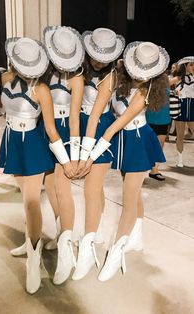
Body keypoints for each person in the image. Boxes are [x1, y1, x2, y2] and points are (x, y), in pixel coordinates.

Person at [79, 41, 169, 281]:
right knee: (134, 193)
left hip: (138, 140)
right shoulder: (121, 80)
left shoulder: (146, 92)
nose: (139, 75)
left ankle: (117, 251)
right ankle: (136, 237)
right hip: (125, 141)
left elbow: (114, 126)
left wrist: (92, 153)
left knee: (128, 196)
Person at [0, 37, 74, 294]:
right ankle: (32, 239)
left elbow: (51, 129)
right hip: (11, 141)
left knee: (31, 200)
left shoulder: (41, 89)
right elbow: (3, 105)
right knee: (25, 198)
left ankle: (34, 260)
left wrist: (67, 161)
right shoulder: (6, 78)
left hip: (30, 143)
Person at [9, 26, 85, 285]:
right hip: (39, 132)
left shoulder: (76, 79)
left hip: (62, 134)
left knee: (62, 190)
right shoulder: (40, 73)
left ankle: (66, 249)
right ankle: (36, 237)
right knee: (47, 190)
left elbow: (74, 118)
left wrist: (72, 156)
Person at [72, 28, 125, 280]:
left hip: (98, 128)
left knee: (91, 189)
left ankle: (88, 245)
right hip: (78, 124)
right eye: (95, 54)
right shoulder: (79, 68)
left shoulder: (111, 76)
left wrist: (85, 155)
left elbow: (94, 116)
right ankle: (99, 229)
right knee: (96, 188)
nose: (99, 60)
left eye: (104, 56)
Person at [146, 74, 171, 180]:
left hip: (163, 120)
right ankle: (149, 167)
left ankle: (154, 170)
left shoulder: (167, 85)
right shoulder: (148, 85)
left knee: (159, 145)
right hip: (150, 119)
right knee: (150, 145)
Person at [170, 56, 194, 167]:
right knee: (180, 135)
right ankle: (179, 160)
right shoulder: (178, 79)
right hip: (181, 107)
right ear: (185, 66)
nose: (193, 67)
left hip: (192, 107)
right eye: (191, 65)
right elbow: (164, 87)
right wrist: (174, 92)